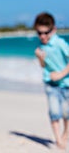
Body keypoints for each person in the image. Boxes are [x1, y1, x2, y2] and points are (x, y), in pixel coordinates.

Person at [34, 12, 69, 150]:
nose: (42, 36)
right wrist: (40, 58)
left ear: (53, 30)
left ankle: (66, 133)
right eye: (39, 33)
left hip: (66, 84)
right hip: (50, 84)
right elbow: (43, 66)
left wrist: (61, 74)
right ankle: (58, 139)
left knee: (67, 112)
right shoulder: (41, 47)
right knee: (54, 112)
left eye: (46, 33)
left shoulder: (60, 43)